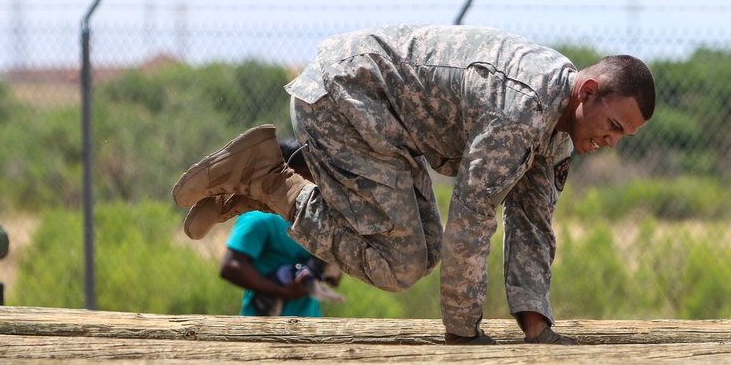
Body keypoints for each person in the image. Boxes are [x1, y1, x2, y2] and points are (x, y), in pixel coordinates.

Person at [173, 24, 654, 344]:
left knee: (423, 256)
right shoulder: (523, 111)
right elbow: (472, 220)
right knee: (400, 265)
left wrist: (537, 327)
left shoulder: (559, 131)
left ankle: (265, 177)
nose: (611, 142)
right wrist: (465, 333)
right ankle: (272, 180)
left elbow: (531, 224)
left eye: (623, 136)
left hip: (387, 123)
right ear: (587, 92)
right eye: (612, 125)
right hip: (347, 98)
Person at [219, 138, 342, 316]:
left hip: (309, 325)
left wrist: (330, 273)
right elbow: (231, 266)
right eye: (309, 176)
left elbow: (325, 268)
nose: (316, 185)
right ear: (288, 176)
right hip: (262, 327)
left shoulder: (315, 218)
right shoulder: (259, 218)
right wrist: (281, 291)